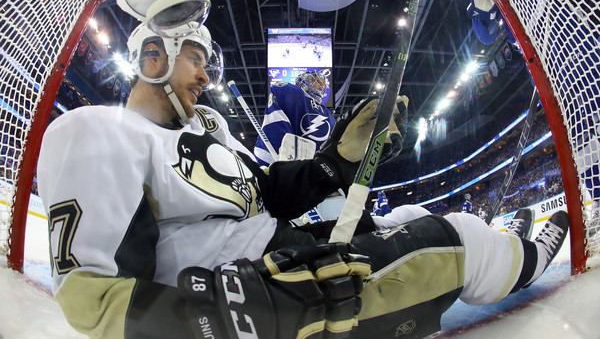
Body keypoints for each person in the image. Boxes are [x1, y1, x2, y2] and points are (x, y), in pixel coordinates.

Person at [38, 22, 570, 339]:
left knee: (411, 218)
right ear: (151, 55)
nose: (205, 76)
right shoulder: (97, 131)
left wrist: (335, 161)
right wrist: (243, 317)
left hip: (281, 252)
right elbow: (93, 300)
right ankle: (522, 259)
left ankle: (511, 244)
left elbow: (267, 191)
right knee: (453, 241)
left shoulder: (208, 127)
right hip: (260, 290)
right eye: (193, 59)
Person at [253, 70, 336, 167]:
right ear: (303, 81)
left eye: (322, 83)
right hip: (283, 160)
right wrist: (285, 155)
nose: (321, 86)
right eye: (317, 81)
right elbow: (276, 124)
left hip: (311, 168)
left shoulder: (328, 114)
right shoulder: (290, 91)